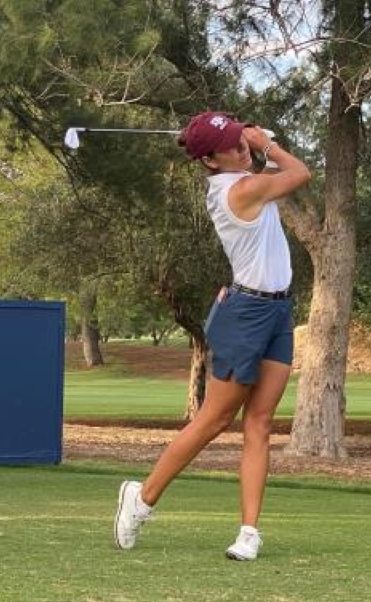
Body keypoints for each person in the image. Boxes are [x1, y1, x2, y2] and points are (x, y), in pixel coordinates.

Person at [114, 111, 312, 561]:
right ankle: (141, 499)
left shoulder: (244, 179)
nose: (241, 147)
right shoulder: (239, 189)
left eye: (240, 138)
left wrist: (254, 143)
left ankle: (248, 533)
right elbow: (299, 173)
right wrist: (266, 144)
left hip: (277, 310)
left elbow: (270, 171)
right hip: (246, 315)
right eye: (231, 145)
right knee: (214, 420)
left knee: (260, 422)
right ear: (209, 161)